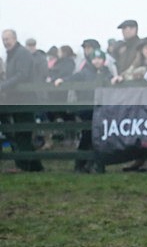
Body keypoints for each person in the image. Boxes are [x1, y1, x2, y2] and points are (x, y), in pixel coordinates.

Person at [53, 49, 112, 172]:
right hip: (88, 110)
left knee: (99, 137)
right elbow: (73, 78)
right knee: (87, 135)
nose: (97, 61)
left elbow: (112, 82)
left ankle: (95, 164)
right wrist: (63, 80)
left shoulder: (107, 72)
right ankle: (80, 164)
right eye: (94, 59)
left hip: (102, 109)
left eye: (100, 59)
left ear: (103, 60)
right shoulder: (85, 72)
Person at [0, 29, 43, 171]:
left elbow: (22, 75)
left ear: (14, 38)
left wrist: (2, 86)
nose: (5, 42)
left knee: (23, 134)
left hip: (24, 99)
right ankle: (35, 167)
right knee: (21, 134)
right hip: (16, 99)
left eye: (7, 39)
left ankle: (25, 166)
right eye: (3, 39)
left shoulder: (22, 53)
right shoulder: (12, 54)